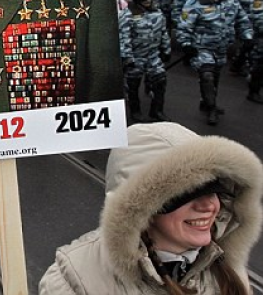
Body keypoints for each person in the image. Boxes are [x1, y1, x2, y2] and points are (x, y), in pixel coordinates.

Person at [39, 122, 263, 294]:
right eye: (186, 194)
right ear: (142, 208)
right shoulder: (75, 279)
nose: (209, 205)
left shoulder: (224, 269)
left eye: (215, 190)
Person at [177, 0, 253, 125]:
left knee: (215, 76)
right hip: (202, 47)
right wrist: (186, 44)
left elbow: (242, 20)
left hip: (222, 47)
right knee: (207, 75)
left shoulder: (231, 1)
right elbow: (184, 26)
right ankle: (211, 108)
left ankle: (206, 101)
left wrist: (247, 36)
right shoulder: (194, 2)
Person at [119, 0, 171, 122]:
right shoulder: (128, 14)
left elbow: (163, 32)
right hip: (136, 57)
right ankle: (135, 111)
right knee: (133, 84)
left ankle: (157, 110)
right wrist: (127, 57)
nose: (148, 0)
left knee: (160, 80)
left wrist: (166, 49)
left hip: (153, 55)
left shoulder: (157, 12)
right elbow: (124, 37)